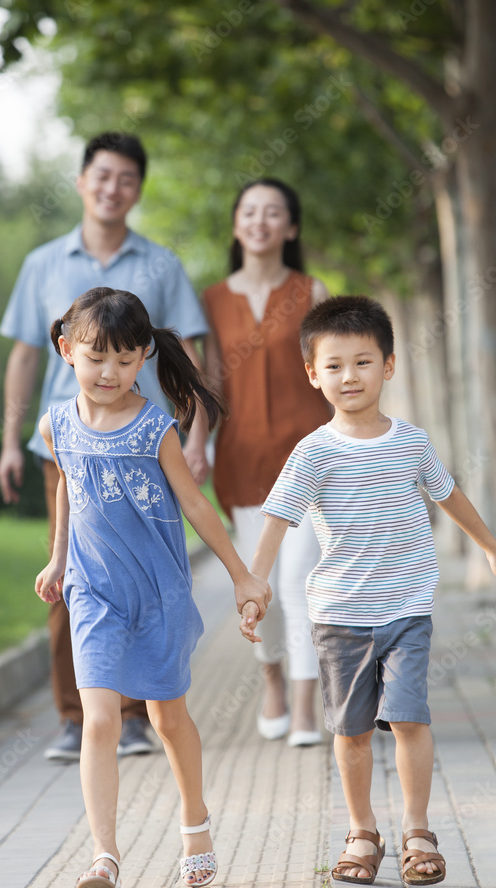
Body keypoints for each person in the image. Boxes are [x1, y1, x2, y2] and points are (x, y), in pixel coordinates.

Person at [241, 294, 496, 886]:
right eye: (334, 365)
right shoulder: (313, 451)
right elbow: (278, 519)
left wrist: (493, 549)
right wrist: (254, 582)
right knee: (352, 730)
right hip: (340, 613)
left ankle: (418, 830)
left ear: (389, 366)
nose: (350, 376)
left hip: (408, 607)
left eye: (363, 362)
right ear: (313, 374)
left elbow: (448, 497)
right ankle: (362, 830)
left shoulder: (411, 442)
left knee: (411, 719)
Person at [34, 287, 271, 888]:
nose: (107, 372)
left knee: (168, 718)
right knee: (100, 720)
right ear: (67, 351)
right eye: (94, 357)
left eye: (123, 359)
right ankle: (105, 855)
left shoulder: (153, 427)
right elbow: (66, 487)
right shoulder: (56, 423)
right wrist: (59, 559)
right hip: (92, 594)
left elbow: (195, 504)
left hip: (158, 593)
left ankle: (195, 825)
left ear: (143, 357)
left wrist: (242, 574)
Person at [0, 133, 210, 762]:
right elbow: (23, 355)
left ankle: (138, 712)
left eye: (125, 179)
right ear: (82, 181)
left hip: (144, 449)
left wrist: (199, 435)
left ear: (138, 189)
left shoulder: (163, 265)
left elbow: (186, 352)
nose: (112, 187)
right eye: (102, 175)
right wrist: (12, 439)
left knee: (144, 574)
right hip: (67, 450)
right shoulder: (42, 263)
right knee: (70, 575)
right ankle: (76, 715)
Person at [202, 179, 330, 747]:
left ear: (291, 227)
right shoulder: (210, 301)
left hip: (309, 461)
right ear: (236, 224)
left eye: (273, 212)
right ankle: (272, 679)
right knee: (261, 583)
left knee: (300, 580)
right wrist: (194, 446)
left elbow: (335, 373)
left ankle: (305, 703)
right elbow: (205, 384)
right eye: (249, 211)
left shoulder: (312, 292)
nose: (260, 221)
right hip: (242, 464)